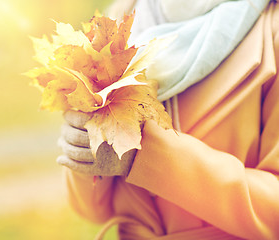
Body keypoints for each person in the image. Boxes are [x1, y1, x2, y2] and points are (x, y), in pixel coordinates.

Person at [57, 0, 279, 239]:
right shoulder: (120, 19)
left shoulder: (271, 28)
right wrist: (81, 154)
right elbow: (93, 210)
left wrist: (144, 154)